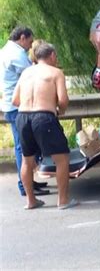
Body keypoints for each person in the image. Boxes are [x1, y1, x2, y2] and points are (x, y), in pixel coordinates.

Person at [12, 42, 78, 209]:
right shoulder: (56, 72)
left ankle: (30, 201)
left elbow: (15, 100)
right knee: (61, 158)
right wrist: (59, 110)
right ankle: (63, 200)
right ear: (52, 56)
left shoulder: (26, 72)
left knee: (27, 161)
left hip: (22, 116)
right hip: (43, 117)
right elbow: (63, 100)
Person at [0, 27, 49, 197]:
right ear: (22, 37)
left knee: (26, 146)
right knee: (23, 148)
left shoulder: (5, 51)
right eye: (29, 41)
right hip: (17, 107)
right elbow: (34, 72)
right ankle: (25, 185)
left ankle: (29, 182)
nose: (30, 46)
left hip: (13, 106)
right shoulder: (16, 54)